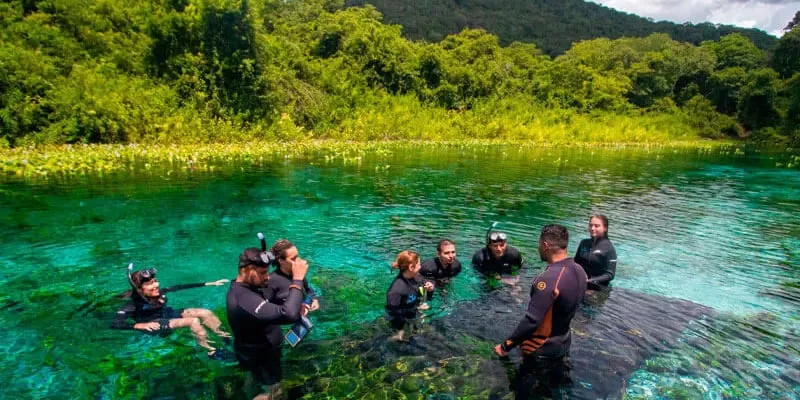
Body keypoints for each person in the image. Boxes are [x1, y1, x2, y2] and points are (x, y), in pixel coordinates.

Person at [494, 224, 587, 399]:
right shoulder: (580, 271)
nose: (538, 248)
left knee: (524, 393)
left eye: (539, 244)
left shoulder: (548, 279)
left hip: (540, 349)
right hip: (564, 343)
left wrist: (506, 345)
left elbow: (532, 321)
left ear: (545, 245)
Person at [226, 247, 309, 400]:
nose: (268, 277)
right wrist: (297, 279)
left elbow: (268, 306)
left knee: (256, 380)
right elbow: (288, 314)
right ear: (247, 271)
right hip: (261, 357)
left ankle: (249, 390)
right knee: (275, 392)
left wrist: (294, 303)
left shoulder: (247, 287)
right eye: (263, 273)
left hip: (253, 353)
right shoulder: (243, 298)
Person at [111, 266, 231, 359]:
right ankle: (210, 351)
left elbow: (179, 287)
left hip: (167, 314)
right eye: (149, 284)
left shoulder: (160, 292)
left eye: (155, 281)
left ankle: (225, 337)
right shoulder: (133, 304)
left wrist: (210, 283)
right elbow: (115, 324)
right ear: (140, 289)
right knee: (193, 321)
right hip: (156, 323)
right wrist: (140, 325)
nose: (156, 285)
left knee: (206, 312)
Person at [385, 250, 434, 341]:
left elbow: (423, 281)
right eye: (419, 264)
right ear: (411, 267)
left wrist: (429, 285)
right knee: (401, 340)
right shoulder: (396, 291)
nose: (421, 266)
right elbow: (394, 313)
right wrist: (417, 309)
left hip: (414, 310)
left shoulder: (415, 276)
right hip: (400, 320)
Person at [263, 239, 320, 315]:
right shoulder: (271, 281)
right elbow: (265, 310)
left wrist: (314, 299)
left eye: (297, 256)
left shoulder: (298, 273)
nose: (298, 261)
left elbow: (308, 289)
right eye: (293, 259)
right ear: (281, 261)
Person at [574, 214, 617, 290]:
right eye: (590, 225)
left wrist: (590, 281)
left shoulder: (609, 248)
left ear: (605, 228)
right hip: (579, 282)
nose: (592, 228)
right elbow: (575, 263)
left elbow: (610, 274)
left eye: (597, 226)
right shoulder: (584, 243)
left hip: (598, 287)